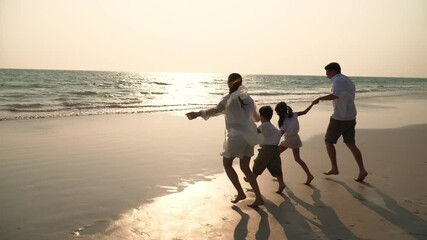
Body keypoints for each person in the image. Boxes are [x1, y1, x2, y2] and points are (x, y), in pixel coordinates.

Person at [185, 73, 264, 207]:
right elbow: (256, 118)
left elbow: (216, 110)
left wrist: (198, 114)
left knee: (227, 164)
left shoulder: (228, 98)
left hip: (236, 137)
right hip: (250, 137)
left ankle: (240, 192)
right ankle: (258, 197)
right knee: (245, 167)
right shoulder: (249, 99)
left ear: (229, 83)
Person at [312, 62, 368, 182]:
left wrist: (319, 98)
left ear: (333, 71)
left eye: (327, 72)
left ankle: (334, 168)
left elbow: (335, 95)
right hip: (351, 116)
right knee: (351, 144)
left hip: (339, 117)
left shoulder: (337, 80)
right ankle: (362, 169)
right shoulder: (348, 80)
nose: (326, 75)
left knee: (328, 141)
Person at [245, 105, 286, 193]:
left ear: (262, 116)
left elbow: (254, 132)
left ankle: (252, 180)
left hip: (267, 149)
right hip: (275, 148)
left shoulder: (263, 126)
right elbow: (278, 134)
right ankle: (281, 183)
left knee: (257, 165)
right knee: (276, 167)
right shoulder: (272, 127)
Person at [275, 101, 315, 185]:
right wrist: (312, 104)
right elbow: (305, 112)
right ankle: (309, 175)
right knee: (298, 159)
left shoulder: (282, 121)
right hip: (296, 138)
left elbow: (281, 134)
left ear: (279, 112)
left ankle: (278, 174)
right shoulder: (293, 114)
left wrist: (274, 142)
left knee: (275, 155)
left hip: (289, 140)